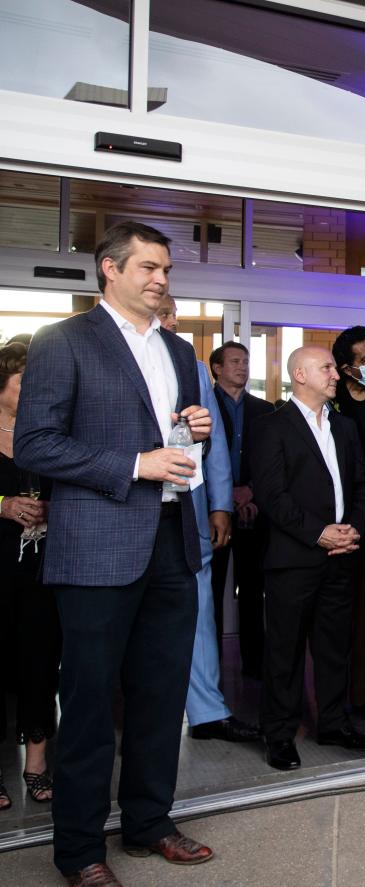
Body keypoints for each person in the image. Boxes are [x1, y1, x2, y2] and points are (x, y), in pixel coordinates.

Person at [14, 220, 216, 884]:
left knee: (160, 697)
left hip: (170, 542)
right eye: (147, 268)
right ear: (108, 268)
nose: (160, 279)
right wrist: (136, 462)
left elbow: (179, 441)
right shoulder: (63, 342)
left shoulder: (181, 352)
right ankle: (78, 851)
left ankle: (149, 822)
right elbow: (36, 445)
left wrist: (196, 432)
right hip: (96, 545)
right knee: (91, 702)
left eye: (165, 269)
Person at [249, 345, 365, 772]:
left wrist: (351, 530)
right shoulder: (272, 426)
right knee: (284, 651)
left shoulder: (343, 426)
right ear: (299, 375)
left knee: (334, 646)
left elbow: (363, 484)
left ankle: (335, 724)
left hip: (342, 554)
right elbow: (272, 495)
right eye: (326, 368)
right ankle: (280, 735)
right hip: (293, 558)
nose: (335, 375)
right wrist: (318, 533)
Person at [156, 296, 260, 743]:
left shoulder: (191, 366)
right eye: (166, 312)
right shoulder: (91, 353)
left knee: (200, 613)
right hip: (127, 509)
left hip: (189, 511)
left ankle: (207, 711)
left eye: (174, 312)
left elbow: (212, 441)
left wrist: (219, 506)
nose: (174, 320)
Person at [0, 341, 58, 809]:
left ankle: (37, 764)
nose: (33, 390)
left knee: (40, 664)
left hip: (42, 568)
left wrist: (49, 509)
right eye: (24, 382)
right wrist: (3, 506)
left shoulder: (44, 436)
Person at [209, 341, 275, 680]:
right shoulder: (203, 407)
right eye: (235, 361)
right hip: (213, 512)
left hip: (253, 512)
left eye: (246, 362)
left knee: (253, 590)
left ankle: (255, 665)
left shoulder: (264, 410)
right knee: (213, 590)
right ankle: (212, 668)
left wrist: (252, 492)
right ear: (217, 368)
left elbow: (272, 462)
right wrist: (226, 494)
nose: (243, 367)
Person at [331, 326, 365, 722]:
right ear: (346, 368)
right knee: (334, 614)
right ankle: (331, 701)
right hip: (335, 524)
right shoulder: (332, 407)